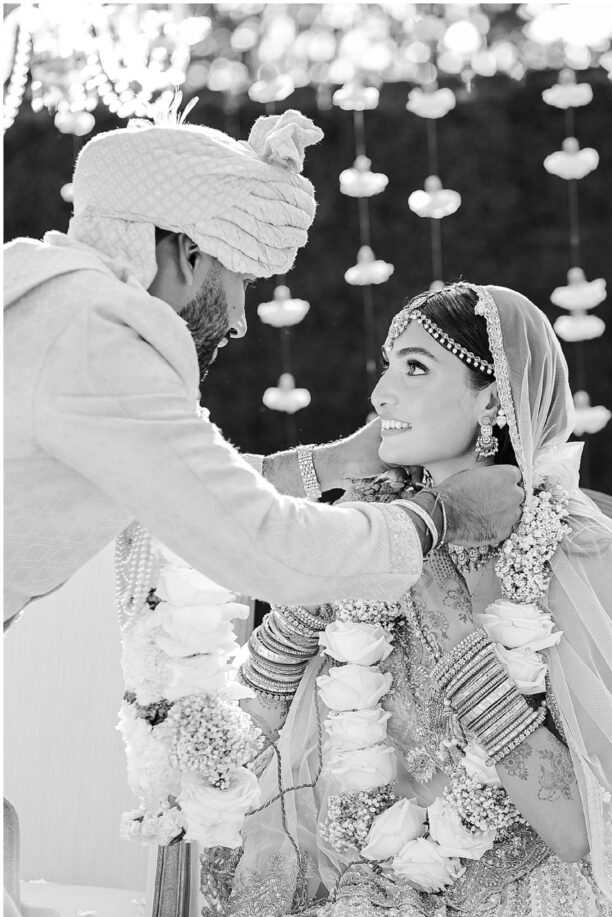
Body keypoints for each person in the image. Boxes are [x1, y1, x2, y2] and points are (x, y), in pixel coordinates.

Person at [157, 283, 612, 917]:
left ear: (491, 397)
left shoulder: (568, 549)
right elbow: (248, 735)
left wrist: (444, 608)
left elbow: (572, 831)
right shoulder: (372, 529)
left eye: (414, 368)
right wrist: (356, 527)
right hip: (374, 896)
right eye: (386, 366)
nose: (379, 392)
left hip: (526, 898)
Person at [3, 106, 524, 631]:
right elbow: (263, 546)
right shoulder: (97, 335)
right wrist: (441, 516)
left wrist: (330, 463)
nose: (239, 322)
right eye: (243, 281)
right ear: (188, 252)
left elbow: (179, 482)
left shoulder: (52, 301)